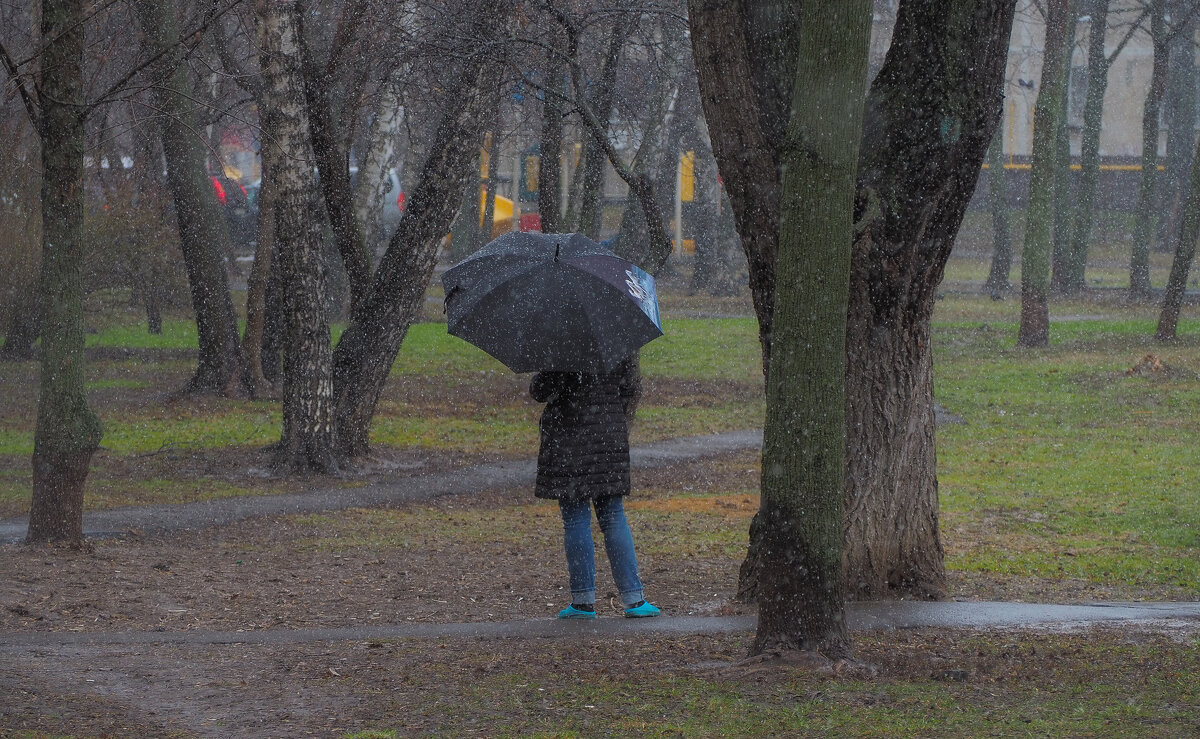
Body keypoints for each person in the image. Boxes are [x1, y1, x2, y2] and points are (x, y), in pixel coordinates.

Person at [530, 357, 660, 619]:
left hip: (568, 440)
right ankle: (634, 600)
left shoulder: (561, 340)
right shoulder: (618, 335)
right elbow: (630, 388)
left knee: (576, 519)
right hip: (608, 436)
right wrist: (611, 416)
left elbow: (540, 391)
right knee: (613, 517)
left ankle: (583, 601)